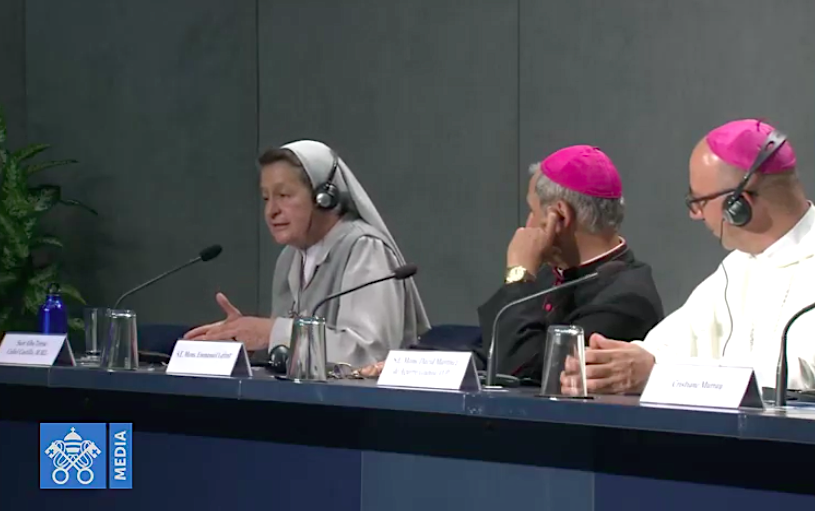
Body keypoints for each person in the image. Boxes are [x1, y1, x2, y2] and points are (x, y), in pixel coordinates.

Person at [562, 119, 815, 395]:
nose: (695, 215)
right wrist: (615, 364)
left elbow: (801, 375)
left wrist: (657, 372)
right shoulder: (738, 267)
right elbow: (674, 341)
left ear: (739, 204)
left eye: (698, 202)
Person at [184, 140, 430, 368]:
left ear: (324, 197)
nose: (271, 211)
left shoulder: (364, 249)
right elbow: (290, 356)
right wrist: (241, 341)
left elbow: (369, 353)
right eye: (266, 198)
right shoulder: (289, 258)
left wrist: (271, 333)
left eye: (284, 195)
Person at [477, 145, 664, 383]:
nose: (527, 224)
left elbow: (523, 376)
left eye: (532, 211)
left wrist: (518, 275)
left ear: (561, 215)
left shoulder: (628, 300)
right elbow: (489, 353)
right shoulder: (550, 274)